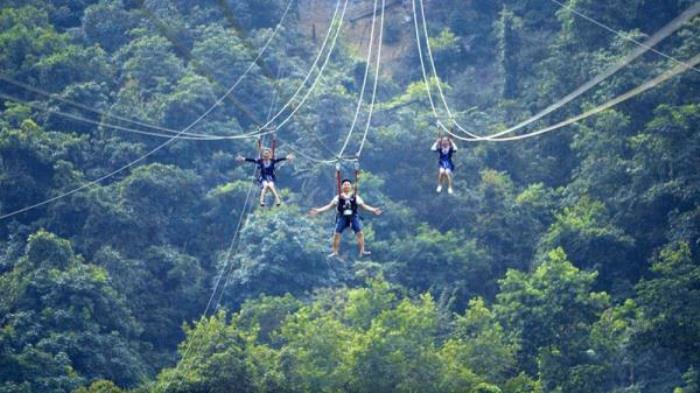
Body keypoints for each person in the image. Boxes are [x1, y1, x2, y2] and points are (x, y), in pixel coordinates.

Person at [309, 178, 382, 257]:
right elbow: (329, 206)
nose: (346, 186)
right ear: (342, 187)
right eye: (345, 184)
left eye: (348, 184)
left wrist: (373, 210)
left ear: (350, 187)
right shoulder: (338, 197)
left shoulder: (355, 197)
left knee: (360, 233)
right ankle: (335, 251)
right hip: (342, 217)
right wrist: (318, 210)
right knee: (336, 234)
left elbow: (364, 206)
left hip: (353, 216)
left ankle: (362, 250)